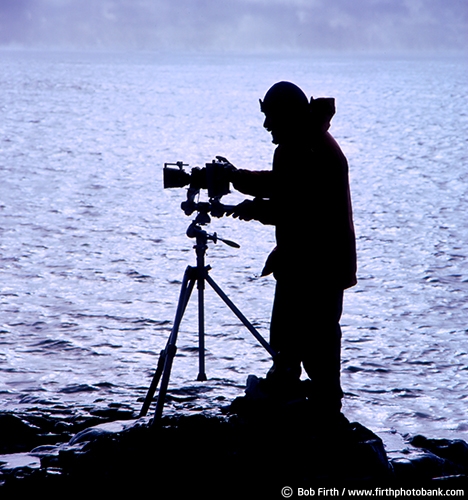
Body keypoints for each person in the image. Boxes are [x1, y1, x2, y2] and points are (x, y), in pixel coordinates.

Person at [225, 81, 357, 418]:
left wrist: (245, 195)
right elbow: (290, 192)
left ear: (286, 115)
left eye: (270, 117)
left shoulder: (301, 148)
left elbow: (290, 203)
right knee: (311, 340)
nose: (267, 125)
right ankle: (309, 402)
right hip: (318, 263)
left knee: (304, 341)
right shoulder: (312, 141)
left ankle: (311, 407)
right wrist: (243, 189)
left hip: (312, 267)